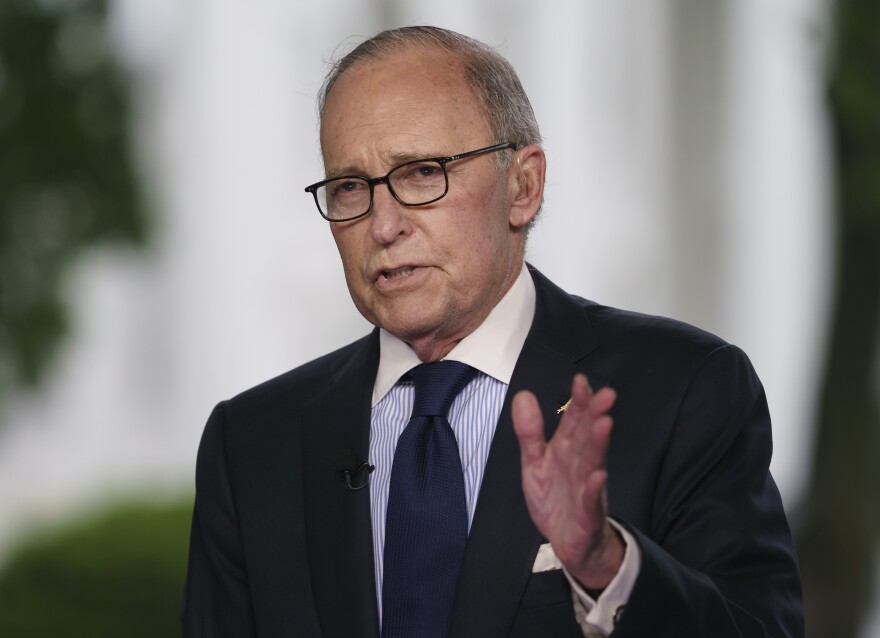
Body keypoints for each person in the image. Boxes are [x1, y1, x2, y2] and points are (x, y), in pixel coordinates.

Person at [181, 26, 804, 637]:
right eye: (351, 188)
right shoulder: (251, 444)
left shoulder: (683, 391)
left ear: (523, 186)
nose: (383, 225)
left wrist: (607, 567)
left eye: (422, 173)